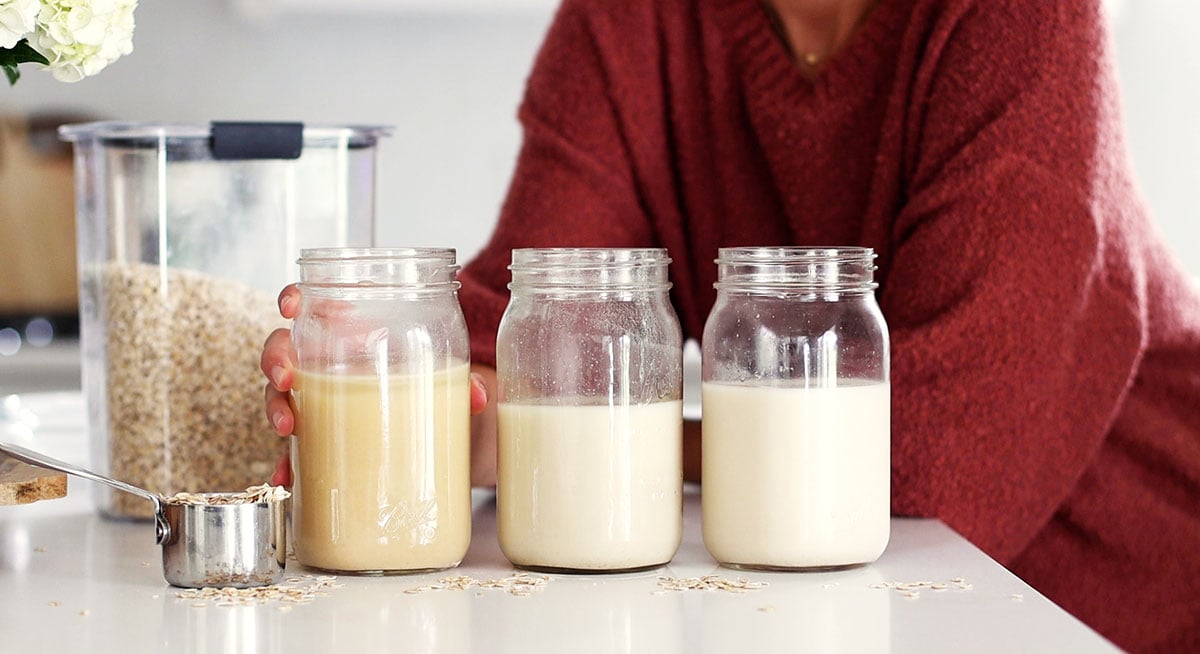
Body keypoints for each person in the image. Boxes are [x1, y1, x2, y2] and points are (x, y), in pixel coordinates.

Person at [262, 0, 1200, 650]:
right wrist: (410, 386)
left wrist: (606, 437)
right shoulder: (631, 26)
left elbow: (951, 457)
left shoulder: (1020, 20)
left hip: (1134, 589)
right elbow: (520, 321)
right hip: (865, 611)